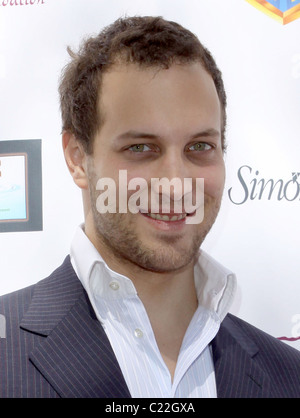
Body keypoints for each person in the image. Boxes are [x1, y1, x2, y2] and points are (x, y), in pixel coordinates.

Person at [0, 16, 299, 399]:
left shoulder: (289, 376)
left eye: (199, 147)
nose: (175, 184)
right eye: (140, 148)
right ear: (77, 158)